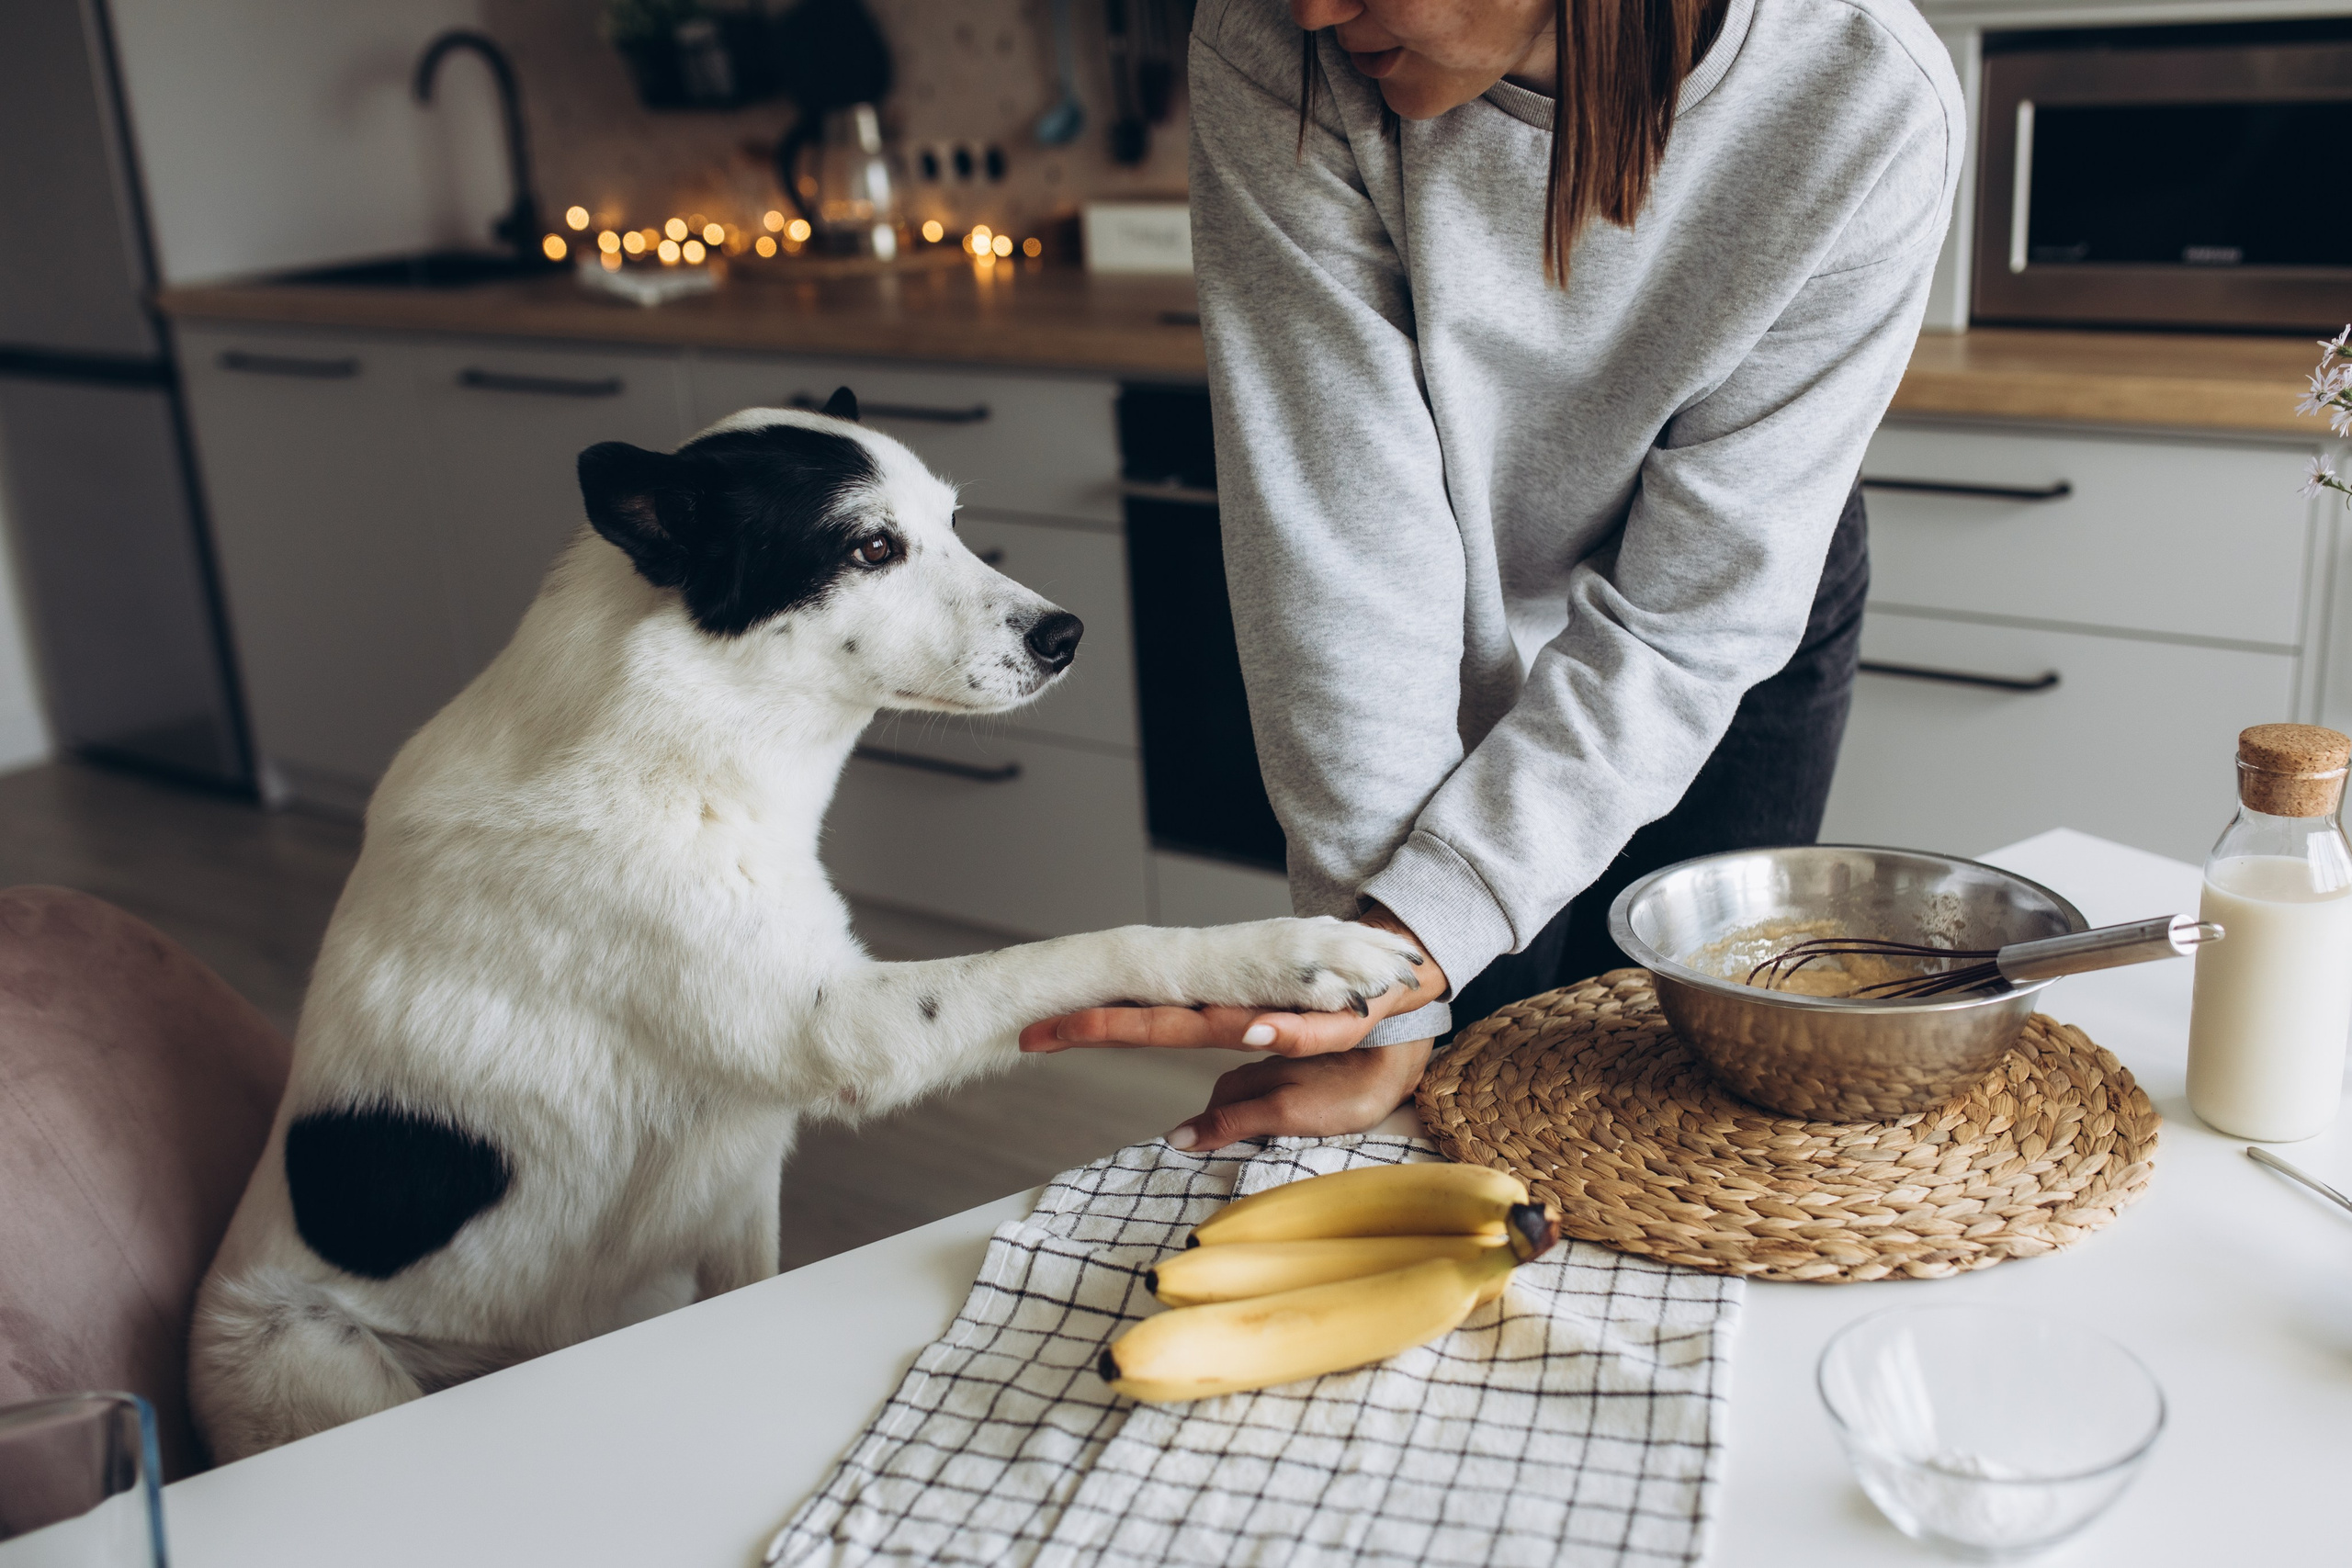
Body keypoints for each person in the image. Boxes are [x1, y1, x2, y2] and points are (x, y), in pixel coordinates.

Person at [1021, 0, 1962, 1150]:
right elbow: (1345, 549)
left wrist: (1428, 932)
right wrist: (1377, 984)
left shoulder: (1868, 88)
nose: (1315, 6)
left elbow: (1688, 621)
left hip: (1708, 616)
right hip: (1435, 592)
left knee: (1694, 1100)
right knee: (1472, 1099)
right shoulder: (1276, 37)